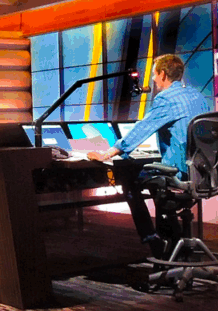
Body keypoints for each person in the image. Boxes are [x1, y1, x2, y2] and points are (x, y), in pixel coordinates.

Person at [86, 53, 210, 257]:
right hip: (202, 172)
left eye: (154, 74)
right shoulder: (197, 96)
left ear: (163, 74)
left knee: (129, 179)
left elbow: (143, 128)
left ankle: (154, 240)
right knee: (153, 180)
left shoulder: (166, 99)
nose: (153, 79)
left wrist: (108, 153)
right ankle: (173, 236)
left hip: (179, 171)